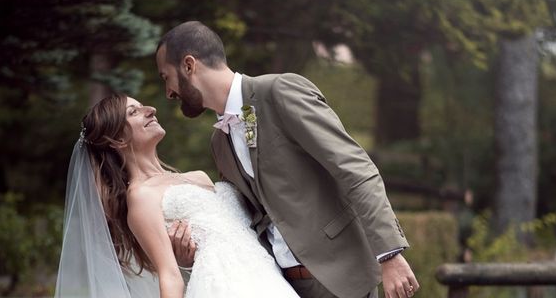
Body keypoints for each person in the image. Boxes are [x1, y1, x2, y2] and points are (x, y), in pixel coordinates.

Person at [155, 21, 420, 298]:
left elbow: (355, 169)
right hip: (278, 285)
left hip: (338, 279)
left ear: (188, 66)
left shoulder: (280, 92)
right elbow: (243, 218)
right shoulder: (219, 142)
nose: (168, 92)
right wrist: (195, 253)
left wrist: (389, 254)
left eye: (166, 77)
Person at [54, 93, 300, 298]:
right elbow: (170, 275)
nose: (150, 110)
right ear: (117, 139)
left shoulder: (199, 177)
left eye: (142, 106)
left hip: (268, 277)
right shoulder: (142, 197)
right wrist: (185, 261)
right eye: (134, 112)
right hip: (223, 286)